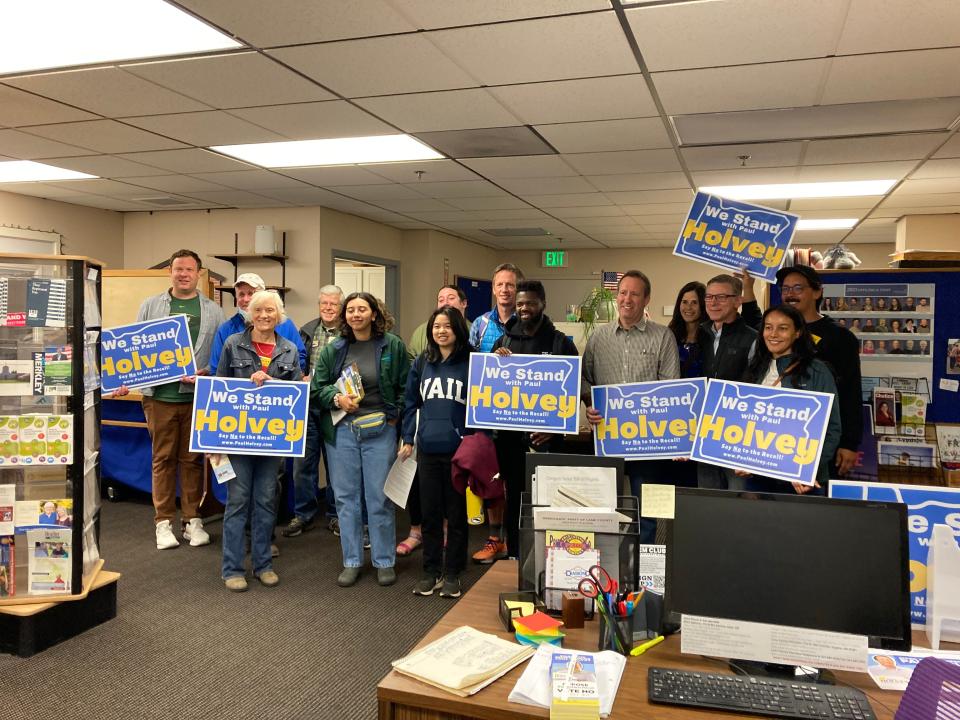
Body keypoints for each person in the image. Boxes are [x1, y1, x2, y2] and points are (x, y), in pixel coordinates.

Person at [117, 249, 224, 550]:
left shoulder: (213, 310)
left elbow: (219, 352)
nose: (183, 274)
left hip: (195, 397)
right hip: (159, 397)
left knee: (192, 460)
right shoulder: (151, 305)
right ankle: (163, 522)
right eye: (178, 269)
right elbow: (134, 348)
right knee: (162, 459)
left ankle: (192, 520)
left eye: (189, 269)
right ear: (170, 272)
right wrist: (125, 380)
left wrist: (208, 372)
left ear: (198, 273)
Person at [474, 280, 578, 562]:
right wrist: (493, 362)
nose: (524, 308)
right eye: (520, 304)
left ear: (542, 303)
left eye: (530, 303)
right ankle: (516, 555)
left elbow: (572, 393)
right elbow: (489, 387)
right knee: (515, 496)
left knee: (549, 498)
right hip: (509, 438)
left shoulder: (560, 343)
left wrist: (553, 428)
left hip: (546, 438)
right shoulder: (503, 341)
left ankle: (553, 557)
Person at [312, 292, 409, 588]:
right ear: (345, 316)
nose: (356, 314)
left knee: (378, 498)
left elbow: (407, 386)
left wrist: (396, 419)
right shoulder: (335, 348)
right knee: (346, 499)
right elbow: (317, 390)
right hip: (342, 431)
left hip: (380, 430)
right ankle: (352, 561)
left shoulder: (392, 345)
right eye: (351, 310)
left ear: (374, 314)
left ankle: (383, 561)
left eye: (362, 309)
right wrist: (337, 397)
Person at [582, 270, 680, 543]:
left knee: (647, 512)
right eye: (623, 293)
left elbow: (671, 390)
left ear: (646, 299)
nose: (627, 299)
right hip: (607, 438)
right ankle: (608, 570)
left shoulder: (663, 337)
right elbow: (586, 381)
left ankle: (643, 576)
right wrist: (590, 405)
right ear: (616, 296)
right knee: (603, 509)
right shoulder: (598, 338)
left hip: (649, 443)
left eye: (635, 294)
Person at [216, 291, 301, 592]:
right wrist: (216, 445)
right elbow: (219, 392)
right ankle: (232, 568)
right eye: (259, 310)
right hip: (237, 439)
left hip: (271, 442)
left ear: (280, 315)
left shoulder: (289, 350)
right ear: (250, 314)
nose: (265, 316)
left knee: (266, 502)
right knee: (238, 502)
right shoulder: (232, 344)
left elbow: (295, 396)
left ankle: (263, 564)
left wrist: (278, 383)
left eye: (271, 311)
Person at [742, 265, 862, 477]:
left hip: (816, 444)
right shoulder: (764, 357)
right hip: (772, 449)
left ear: (817, 292)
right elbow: (754, 321)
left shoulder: (839, 337)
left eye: (798, 288)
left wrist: (849, 442)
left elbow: (851, 392)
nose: (790, 293)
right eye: (785, 288)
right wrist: (748, 287)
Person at [399, 306, 472, 599]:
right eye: (436, 326)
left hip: (458, 450)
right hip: (427, 448)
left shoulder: (471, 362)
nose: (441, 331)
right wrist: (407, 438)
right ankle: (431, 571)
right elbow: (410, 403)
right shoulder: (421, 362)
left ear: (457, 329)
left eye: (447, 326)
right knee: (429, 514)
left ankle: (453, 572)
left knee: (455, 514)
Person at [739, 304, 841, 495]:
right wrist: (741, 459)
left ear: (798, 333)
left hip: (801, 481)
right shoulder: (755, 369)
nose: (773, 334)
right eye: (768, 327)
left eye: (783, 328)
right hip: (759, 479)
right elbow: (744, 424)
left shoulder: (817, 371)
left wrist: (808, 469)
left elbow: (832, 428)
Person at [282, 285, 344, 539]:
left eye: (333, 304)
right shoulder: (307, 330)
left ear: (341, 307)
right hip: (307, 406)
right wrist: (301, 376)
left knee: (336, 465)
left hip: (335, 408)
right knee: (302, 465)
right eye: (324, 304)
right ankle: (303, 514)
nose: (328, 308)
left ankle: (335, 515)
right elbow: (294, 362)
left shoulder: (348, 333)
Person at [698, 273, 757, 490]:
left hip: (738, 436)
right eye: (709, 297)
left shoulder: (753, 338)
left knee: (737, 502)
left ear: (737, 301)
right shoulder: (699, 334)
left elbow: (756, 389)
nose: (713, 303)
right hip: (703, 434)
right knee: (707, 502)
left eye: (721, 297)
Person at [209, 273, 307, 378]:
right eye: (241, 294)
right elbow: (219, 375)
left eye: (251, 293)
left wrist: (271, 382)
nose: (246, 299)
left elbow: (297, 372)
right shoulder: (228, 334)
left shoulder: (287, 331)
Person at [469, 263, 524, 352]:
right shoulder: (479, 324)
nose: (504, 290)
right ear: (494, 289)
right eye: (499, 285)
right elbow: (471, 361)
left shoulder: (529, 324)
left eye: (510, 285)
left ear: (519, 289)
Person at [407, 285, 471, 360]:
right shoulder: (421, 331)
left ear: (464, 303)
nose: (445, 303)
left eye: (451, 298)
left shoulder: (475, 330)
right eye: (441, 300)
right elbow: (411, 360)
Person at [668, 281, 708, 378]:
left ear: (703, 305)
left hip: (704, 391)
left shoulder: (711, 336)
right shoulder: (670, 334)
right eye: (684, 302)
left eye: (694, 302)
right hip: (675, 392)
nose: (688, 307)